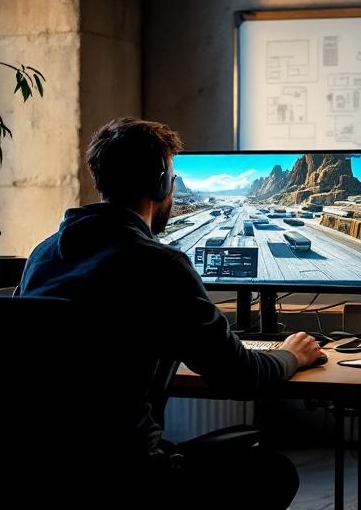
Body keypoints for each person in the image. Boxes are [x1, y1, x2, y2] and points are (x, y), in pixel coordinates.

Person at [18, 117, 324, 508]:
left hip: (42, 471)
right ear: (163, 184)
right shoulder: (159, 264)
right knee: (273, 472)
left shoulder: (43, 254)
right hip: (129, 474)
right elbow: (240, 376)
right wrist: (291, 354)